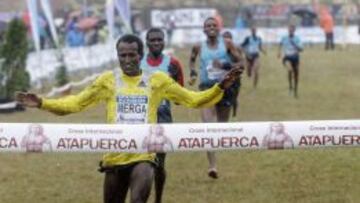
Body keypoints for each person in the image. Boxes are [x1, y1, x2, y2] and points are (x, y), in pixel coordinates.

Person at [16, 34, 242, 203]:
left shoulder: (157, 80)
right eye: (122, 55)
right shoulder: (107, 80)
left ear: (140, 55)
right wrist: (42, 103)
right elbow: (75, 103)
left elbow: (193, 100)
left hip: (143, 155)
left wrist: (220, 86)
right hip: (114, 157)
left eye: (131, 55)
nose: (127, 60)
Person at [188, 17, 243, 179]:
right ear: (204, 30)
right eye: (208, 26)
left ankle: (216, 145)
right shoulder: (198, 46)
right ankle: (212, 166)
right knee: (207, 128)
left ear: (219, 29)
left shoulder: (227, 44)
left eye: (214, 25)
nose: (211, 28)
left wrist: (225, 66)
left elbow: (241, 63)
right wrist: (192, 72)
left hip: (226, 88)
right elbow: (191, 61)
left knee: (222, 127)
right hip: (206, 89)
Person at [141, 27, 184, 203]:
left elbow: (179, 98)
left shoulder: (173, 64)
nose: (156, 43)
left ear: (164, 41)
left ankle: (158, 199)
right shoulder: (137, 62)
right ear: (147, 42)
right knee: (139, 164)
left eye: (159, 39)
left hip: (163, 117)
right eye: (153, 40)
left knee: (159, 164)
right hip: (139, 117)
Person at [278, 25, 303, 98]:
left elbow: (301, 49)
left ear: (294, 31)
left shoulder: (297, 38)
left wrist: (295, 44)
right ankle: (290, 87)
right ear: (288, 30)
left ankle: (295, 90)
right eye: (289, 30)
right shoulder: (284, 38)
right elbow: (280, 44)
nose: (291, 31)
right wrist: (279, 52)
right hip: (287, 58)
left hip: (295, 58)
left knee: (296, 75)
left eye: (292, 30)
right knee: (289, 69)